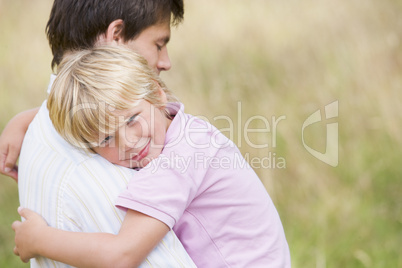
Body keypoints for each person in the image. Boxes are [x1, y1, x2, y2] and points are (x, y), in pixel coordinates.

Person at [13, 45, 291, 267]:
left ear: (157, 96)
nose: (129, 143)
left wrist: (39, 240)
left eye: (132, 119)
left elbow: (121, 256)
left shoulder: (174, 163)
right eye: (107, 139)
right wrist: (23, 120)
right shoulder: (186, 131)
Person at [4, 0, 199, 267]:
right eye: (158, 44)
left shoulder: (51, 128)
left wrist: (24, 119)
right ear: (116, 37)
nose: (165, 62)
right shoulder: (102, 172)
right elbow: (122, 255)